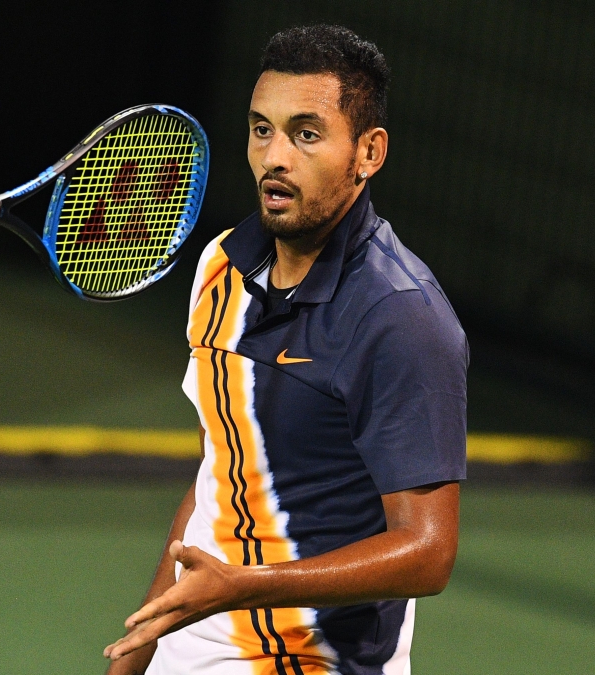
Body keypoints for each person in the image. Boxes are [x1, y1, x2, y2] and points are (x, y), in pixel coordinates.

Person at [105, 24, 468, 675]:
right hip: (198, 633)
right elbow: (219, 470)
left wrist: (249, 584)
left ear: (368, 152)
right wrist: (142, 647)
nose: (275, 156)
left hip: (316, 658)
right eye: (261, 128)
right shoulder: (221, 266)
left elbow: (429, 550)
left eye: (305, 134)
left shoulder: (402, 317)